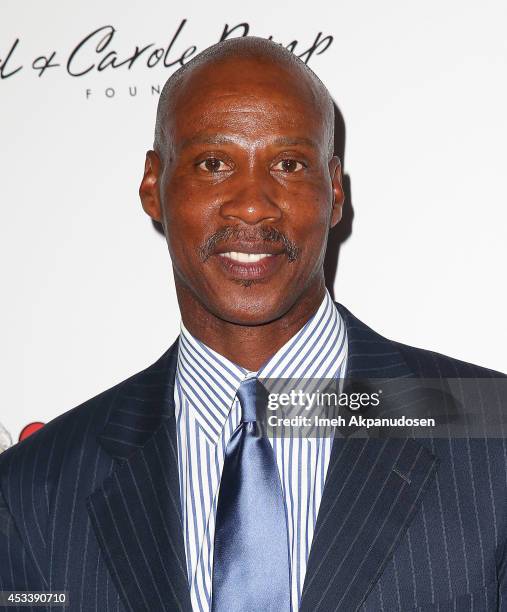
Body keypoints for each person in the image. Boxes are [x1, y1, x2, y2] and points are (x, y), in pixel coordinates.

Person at [0, 36, 505, 612]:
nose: (253, 204)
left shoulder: (493, 439)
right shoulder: (32, 489)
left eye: (288, 164)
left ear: (334, 190)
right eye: (213, 164)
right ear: (153, 187)